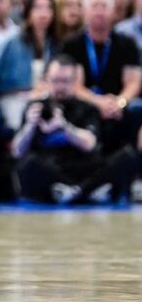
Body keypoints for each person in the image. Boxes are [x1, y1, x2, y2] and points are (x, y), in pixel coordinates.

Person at [13, 55, 137, 204]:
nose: (60, 87)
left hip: (83, 166)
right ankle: (85, 192)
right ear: (46, 80)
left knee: (127, 156)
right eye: (55, 81)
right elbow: (17, 151)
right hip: (52, 167)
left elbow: (90, 144)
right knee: (28, 164)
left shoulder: (87, 108)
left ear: (74, 82)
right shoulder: (35, 108)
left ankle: (77, 191)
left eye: (65, 81)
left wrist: (64, 126)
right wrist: (30, 126)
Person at [61, 0, 142, 154]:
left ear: (113, 11)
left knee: (136, 108)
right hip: (86, 102)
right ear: (84, 11)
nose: (99, 12)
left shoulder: (127, 43)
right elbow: (73, 85)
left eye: (104, 6)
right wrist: (98, 102)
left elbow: (133, 82)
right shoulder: (71, 45)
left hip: (118, 103)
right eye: (94, 6)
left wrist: (120, 102)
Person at [0, 0, 58, 130]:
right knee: (26, 122)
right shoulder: (11, 42)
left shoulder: (55, 44)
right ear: (28, 12)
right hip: (14, 98)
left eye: (48, 8)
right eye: (38, 7)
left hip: (45, 97)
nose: (43, 13)